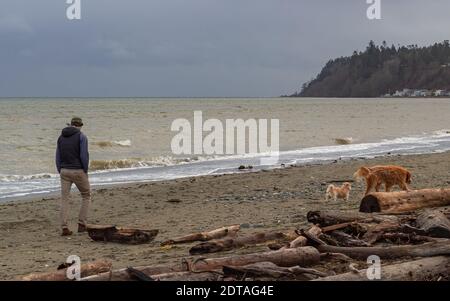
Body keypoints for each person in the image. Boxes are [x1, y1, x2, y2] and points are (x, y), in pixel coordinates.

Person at [55, 117, 90, 236]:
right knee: (86, 195)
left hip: (64, 171)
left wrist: (60, 169)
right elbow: (84, 155)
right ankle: (81, 224)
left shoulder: (61, 137)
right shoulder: (82, 136)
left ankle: (64, 226)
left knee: (64, 198)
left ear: (70, 124)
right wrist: (85, 170)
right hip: (78, 170)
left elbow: (58, 156)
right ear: (80, 125)